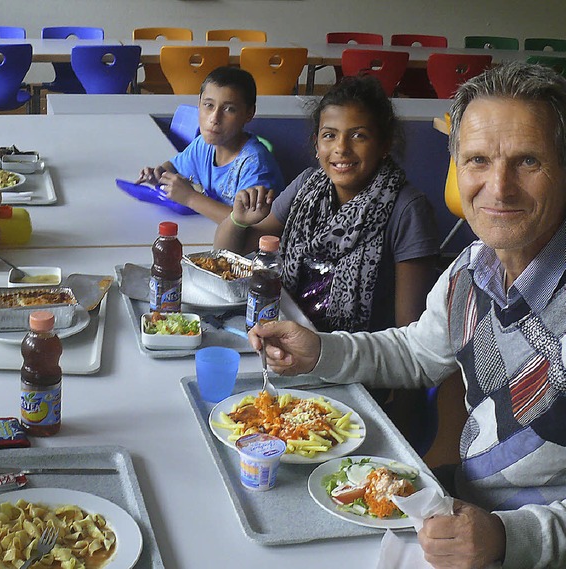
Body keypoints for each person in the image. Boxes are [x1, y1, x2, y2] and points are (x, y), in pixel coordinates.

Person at [250, 61, 566, 569]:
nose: (499, 187)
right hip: (460, 511)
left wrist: (511, 538)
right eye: (478, 160)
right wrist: (320, 350)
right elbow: (416, 353)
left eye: (528, 161)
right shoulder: (471, 267)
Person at [215, 75, 439, 334]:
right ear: (317, 144)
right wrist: (239, 220)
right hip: (288, 332)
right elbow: (228, 253)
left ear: (384, 145)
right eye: (329, 135)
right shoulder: (308, 186)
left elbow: (410, 333)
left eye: (358, 136)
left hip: (356, 358)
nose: (341, 148)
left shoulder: (408, 210)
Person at [136, 66, 284, 223]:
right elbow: (174, 166)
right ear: (199, 104)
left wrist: (190, 198)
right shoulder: (204, 144)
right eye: (209, 105)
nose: (214, 118)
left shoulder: (256, 166)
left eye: (229, 109)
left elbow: (249, 224)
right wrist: (160, 174)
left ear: (249, 113)